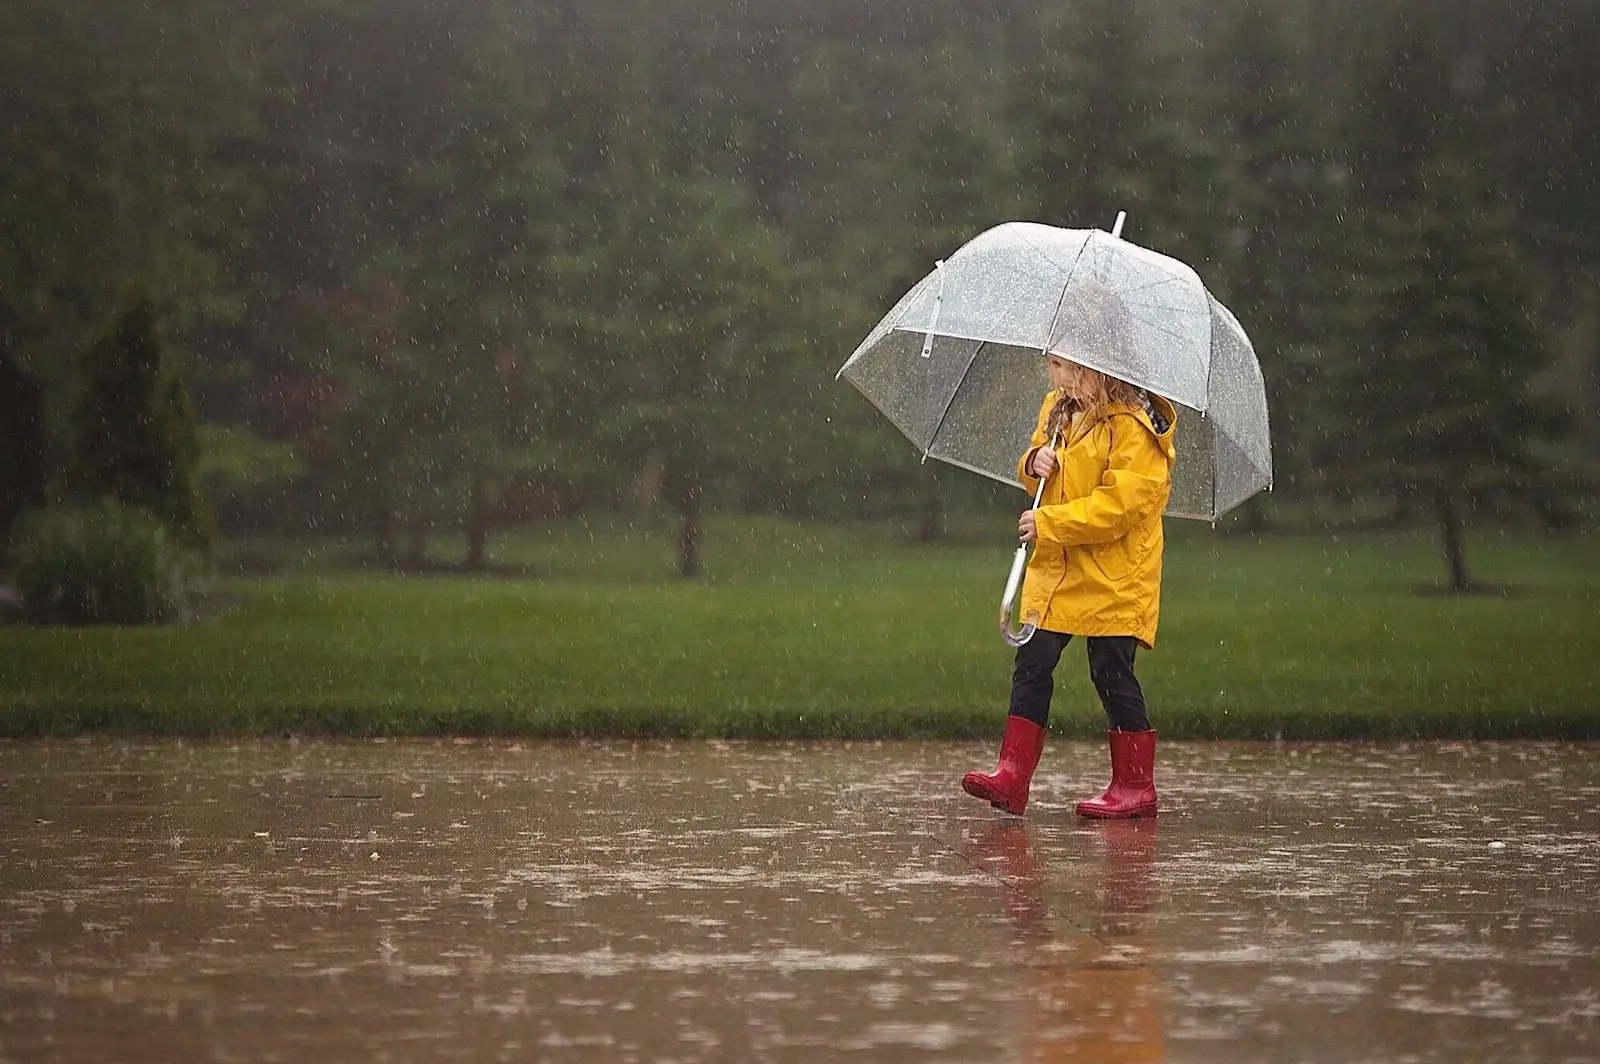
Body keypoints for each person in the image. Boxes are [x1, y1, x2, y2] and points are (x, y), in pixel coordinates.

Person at [961, 335, 1177, 819]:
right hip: (1058, 568)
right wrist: (1031, 462)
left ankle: (1135, 785)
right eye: (1052, 364)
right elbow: (1047, 476)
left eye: (1061, 365)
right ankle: (1012, 777)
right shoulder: (1059, 411)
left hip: (1117, 574)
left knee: (1111, 670)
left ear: (1094, 368)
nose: (1052, 375)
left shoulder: (1135, 428)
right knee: (1032, 661)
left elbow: (1119, 507)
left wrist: (1049, 525)